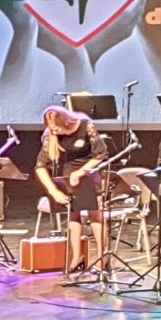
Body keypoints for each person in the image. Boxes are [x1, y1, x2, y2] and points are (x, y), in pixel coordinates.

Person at [32, 104, 109, 272]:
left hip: (90, 171)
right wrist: (53, 191)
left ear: (66, 122)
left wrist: (83, 171)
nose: (55, 132)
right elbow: (40, 166)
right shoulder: (51, 134)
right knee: (73, 215)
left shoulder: (85, 125)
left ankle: (103, 258)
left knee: (95, 214)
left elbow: (101, 154)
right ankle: (77, 258)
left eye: (57, 128)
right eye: (51, 129)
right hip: (69, 173)